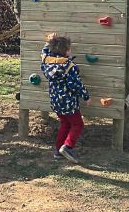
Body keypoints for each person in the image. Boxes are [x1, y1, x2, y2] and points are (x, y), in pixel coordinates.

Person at [41, 34, 90, 164]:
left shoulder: (47, 63)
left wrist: (48, 43)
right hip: (68, 103)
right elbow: (75, 84)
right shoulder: (69, 66)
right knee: (78, 124)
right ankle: (67, 147)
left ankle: (58, 151)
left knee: (65, 123)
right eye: (70, 49)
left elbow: (44, 54)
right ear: (67, 51)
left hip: (56, 102)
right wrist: (86, 96)